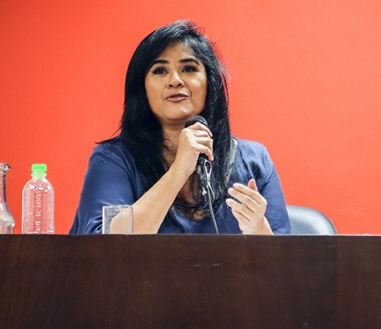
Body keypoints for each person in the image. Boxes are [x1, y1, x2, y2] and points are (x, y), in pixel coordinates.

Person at [70, 20, 291, 235]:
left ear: (210, 82)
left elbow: (284, 256)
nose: (175, 80)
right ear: (142, 88)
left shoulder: (254, 161)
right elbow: (101, 246)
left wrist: (257, 228)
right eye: (160, 71)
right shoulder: (112, 159)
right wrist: (179, 170)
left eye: (188, 68)